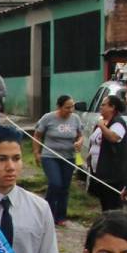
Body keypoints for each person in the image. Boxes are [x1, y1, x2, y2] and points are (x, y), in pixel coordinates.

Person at [33, 95, 84, 225]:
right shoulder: (48, 118)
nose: (71, 110)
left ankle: (60, 217)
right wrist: (36, 152)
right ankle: (47, 213)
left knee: (65, 187)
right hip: (50, 156)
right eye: (67, 107)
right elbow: (37, 135)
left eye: (72, 106)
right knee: (55, 183)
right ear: (59, 107)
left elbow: (80, 136)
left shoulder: (76, 119)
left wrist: (79, 142)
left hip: (69, 157)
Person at [87, 95, 127, 212]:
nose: (100, 107)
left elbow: (114, 137)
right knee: (105, 205)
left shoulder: (117, 122)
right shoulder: (103, 122)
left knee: (113, 206)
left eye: (103, 104)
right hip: (100, 173)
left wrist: (101, 126)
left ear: (112, 107)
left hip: (113, 176)